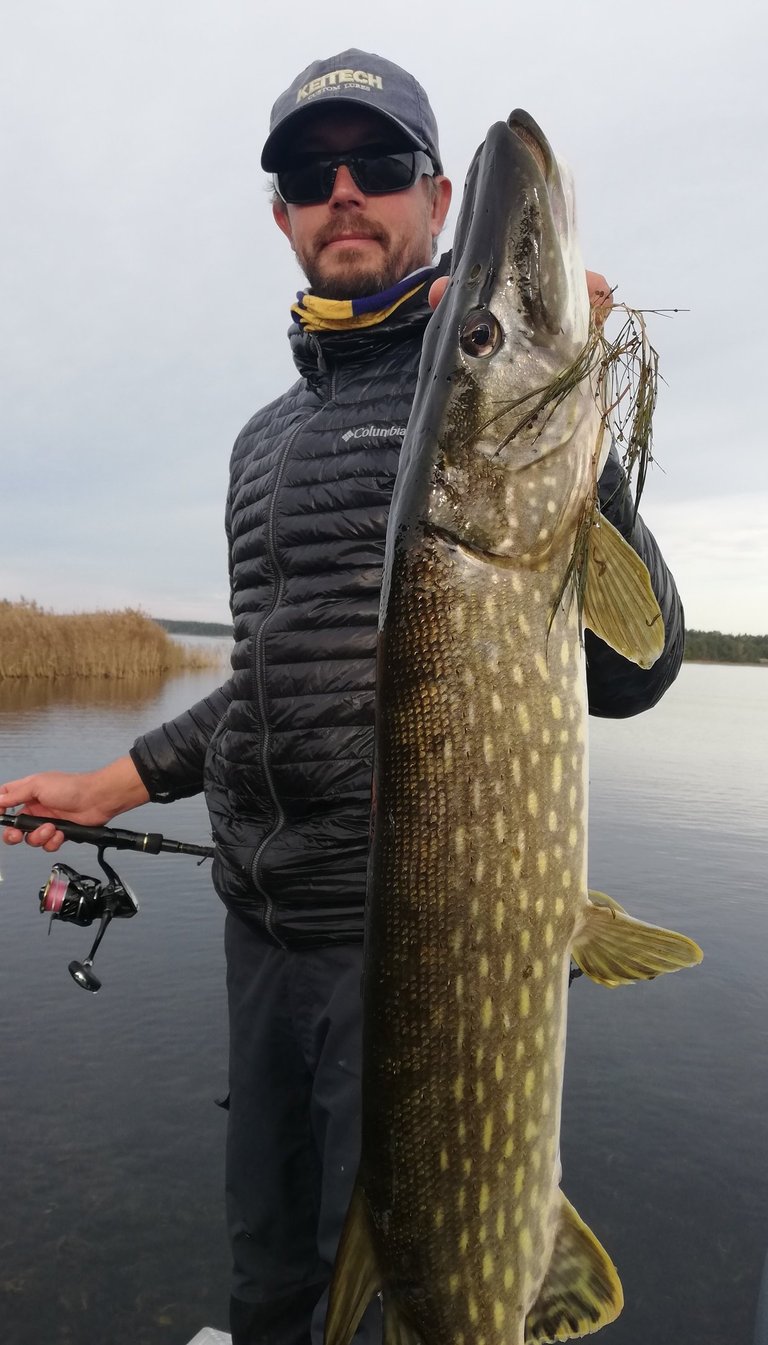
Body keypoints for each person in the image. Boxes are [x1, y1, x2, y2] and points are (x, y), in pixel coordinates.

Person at [0, 50, 684, 1345]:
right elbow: (265, 682)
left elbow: (637, 672)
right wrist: (105, 780)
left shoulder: (492, 405)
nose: (344, 193)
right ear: (283, 216)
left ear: (431, 199)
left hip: (419, 959)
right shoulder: (263, 441)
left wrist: (572, 438)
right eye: (312, 175)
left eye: (376, 166)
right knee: (272, 1276)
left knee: (424, 1289)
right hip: (262, 930)